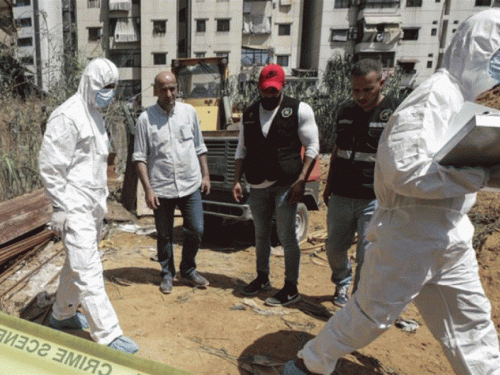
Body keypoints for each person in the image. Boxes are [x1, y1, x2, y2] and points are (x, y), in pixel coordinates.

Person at [283, 10, 500, 375]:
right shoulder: (434, 97)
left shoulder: (468, 102)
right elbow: (406, 171)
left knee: (471, 321)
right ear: (476, 51)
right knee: (372, 314)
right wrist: (480, 174)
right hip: (409, 232)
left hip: (451, 231)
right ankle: (309, 363)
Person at [38, 58, 139, 354]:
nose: (108, 92)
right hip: (72, 206)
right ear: (89, 83)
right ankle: (108, 334)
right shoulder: (67, 116)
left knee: (77, 263)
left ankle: (61, 315)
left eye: (113, 87)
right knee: (90, 268)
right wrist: (59, 206)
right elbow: (50, 166)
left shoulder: (95, 114)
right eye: (103, 86)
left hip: (92, 205)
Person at [232, 64, 319, 307]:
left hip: (286, 182)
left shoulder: (299, 110)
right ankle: (262, 278)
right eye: (266, 90)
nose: (270, 95)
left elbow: (312, 146)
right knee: (260, 234)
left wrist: (302, 179)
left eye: (274, 90)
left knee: (286, 235)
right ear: (259, 88)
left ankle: (291, 287)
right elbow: (242, 149)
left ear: (282, 87)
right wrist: (237, 180)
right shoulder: (249, 114)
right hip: (258, 183)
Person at [323, 59, 399, 307]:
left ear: (382, 82)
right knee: (334, 247)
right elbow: (337, 150)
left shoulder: (395, 111)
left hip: (374, 198)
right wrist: (328, 184)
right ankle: (342, 281)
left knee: (367, 255)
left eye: (367, 89)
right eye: (356, 90)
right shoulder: (345, 112)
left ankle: (357, 300)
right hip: (342, 194)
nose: (360, 96)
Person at [133, 71, 210, 295]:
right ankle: (167, 273)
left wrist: (205, 175)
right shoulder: (145, 119)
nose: (169, 93)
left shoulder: (189, 112)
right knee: (164, 234)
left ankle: (188, 269)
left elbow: (199, 147)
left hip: (190, 184)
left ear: (177, 88)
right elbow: (139, 158)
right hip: (162, 188)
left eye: (173, 88)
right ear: (155, 90)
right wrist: (148, 190)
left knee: (196, 229)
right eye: (164, 89)